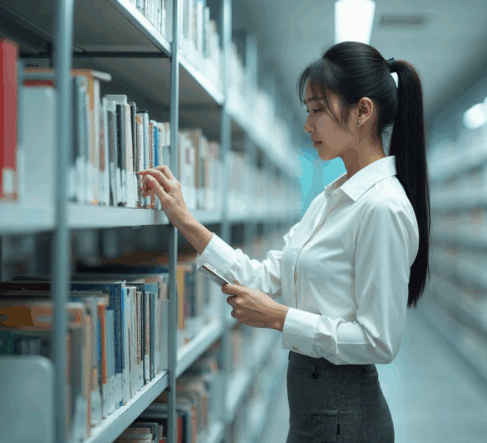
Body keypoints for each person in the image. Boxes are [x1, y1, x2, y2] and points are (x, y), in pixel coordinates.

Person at [138, 40, 430, 443]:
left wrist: (278, 317)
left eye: (317, 111)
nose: (307, 126)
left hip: (346, 418)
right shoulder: (331, 199)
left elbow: (378, 341)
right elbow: (262, 277)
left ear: (363, 111)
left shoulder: (382, 208)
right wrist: (184, 220)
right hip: (312, 410)